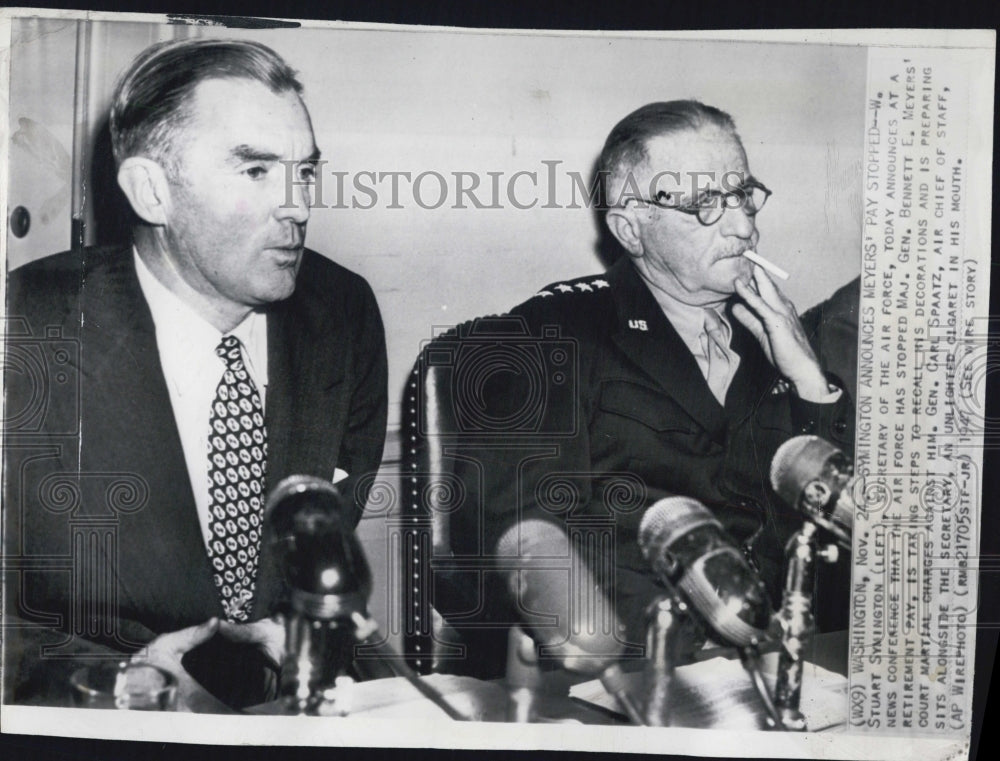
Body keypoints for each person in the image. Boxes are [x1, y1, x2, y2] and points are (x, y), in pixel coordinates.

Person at [3, 39, 388, 708]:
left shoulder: (342, 313)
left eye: (305, 172)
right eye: (257, 171)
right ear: (153, 191)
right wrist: (118, 683)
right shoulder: (26, 331)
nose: (297, 205)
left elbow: (320, 542)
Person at [432, 101, 855, 676]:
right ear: (631, 228)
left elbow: (831, 525)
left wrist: (809, 379)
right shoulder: (554, 332)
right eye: (705, 203)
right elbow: (521, 528)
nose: (742, 225)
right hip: (641, 669)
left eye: (742, 194)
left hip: (791, 660)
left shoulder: (770, 342)